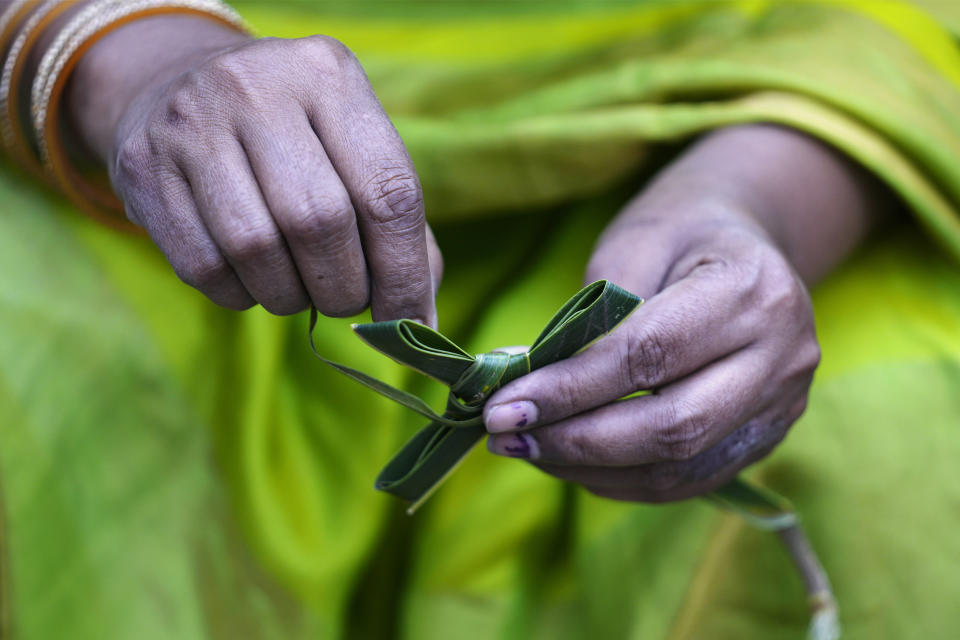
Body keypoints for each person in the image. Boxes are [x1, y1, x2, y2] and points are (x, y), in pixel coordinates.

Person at [1, 1, 958, 638]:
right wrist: (116, 57)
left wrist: (751, 199)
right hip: (153, 153)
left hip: (751, 130)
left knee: (892, 449)